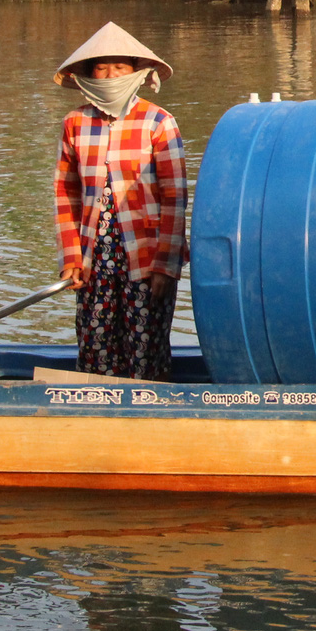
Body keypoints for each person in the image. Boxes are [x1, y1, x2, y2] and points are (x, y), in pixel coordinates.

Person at [52, 22, 188, 380]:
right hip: (94, 259)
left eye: (120, 67)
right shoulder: (75, 123)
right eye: (102, 67)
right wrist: (71, 258)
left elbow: (175, 198)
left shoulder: (159, 122)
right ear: (88, 75)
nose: (111, 75)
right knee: (96, 347)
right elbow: (66, 194)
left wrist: (165, 265)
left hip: (146, 256)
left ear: (136, 72)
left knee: (146, 350)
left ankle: (150, 420)